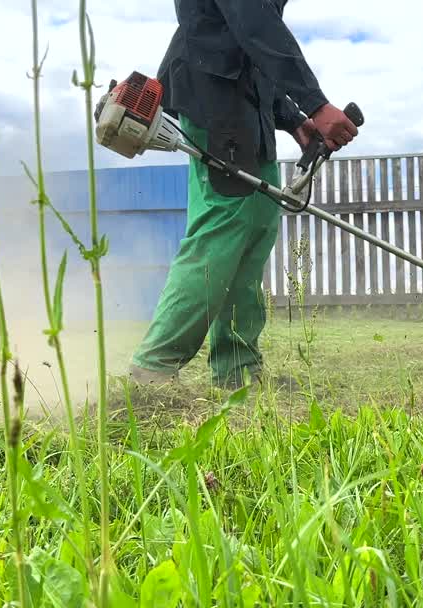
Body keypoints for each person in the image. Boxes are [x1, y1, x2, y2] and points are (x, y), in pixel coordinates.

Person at [127, 0, 359, 391]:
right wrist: (315, 103)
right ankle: (152, 369)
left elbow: (246, 42)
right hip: (213, 96)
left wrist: (291, 118)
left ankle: (237, 370)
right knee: (224, 224)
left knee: (256, 226)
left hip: (247, 102)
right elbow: (253, 21)